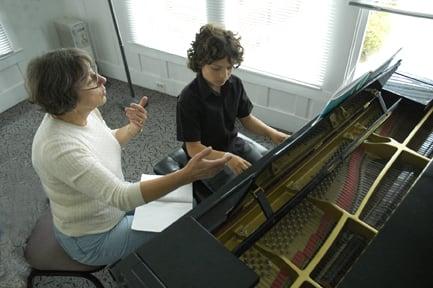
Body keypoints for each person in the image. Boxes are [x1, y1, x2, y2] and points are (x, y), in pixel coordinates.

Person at [27, 48, 230, 266]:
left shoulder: (83, 111)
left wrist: (132, 128)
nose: (102, 79)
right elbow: (122, 196)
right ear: (67, 96)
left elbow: (104, 141)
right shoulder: (58, 149)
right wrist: (187, 175)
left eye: (95, 72)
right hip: (93, 238)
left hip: (111, 206)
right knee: (183, 221)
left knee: (185, 202)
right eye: (91, 79)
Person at [177, 24, 289, 177]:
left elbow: (246, 118)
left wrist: (272, 133)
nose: (224, 75)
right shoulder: (188, 99)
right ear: (200, 62)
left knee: (269, 172)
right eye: (216, 68)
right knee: (237, 194)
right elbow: (193, 148)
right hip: (205, 157)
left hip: (232, 144)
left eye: (229, 67)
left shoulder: (235, 84)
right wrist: (226, 158)